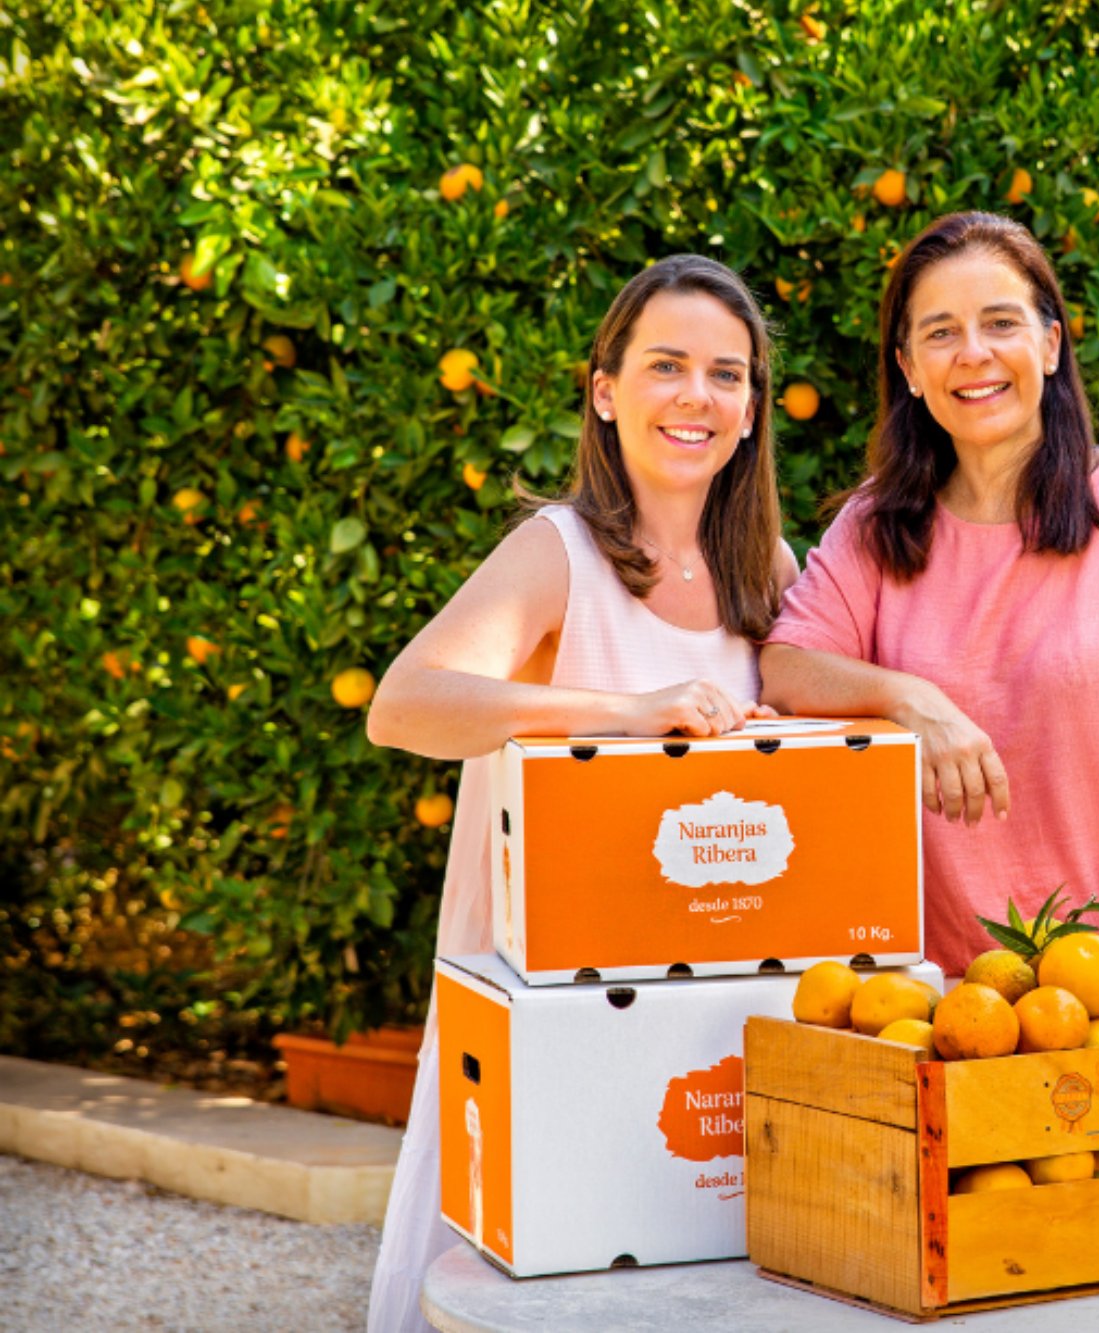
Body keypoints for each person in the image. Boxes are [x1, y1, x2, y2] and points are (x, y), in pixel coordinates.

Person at [361, 255, 794, 1331]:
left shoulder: (770, 570)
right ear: (604, 391)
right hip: (544, 1018)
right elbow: (404, 704)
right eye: (666, 366)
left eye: (726, 374)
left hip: (711, 1020)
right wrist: (621, 710)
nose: (697, 396)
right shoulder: (557, 550)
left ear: (749, 409)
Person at [760, 211, 1099, 974]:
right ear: (908, 367)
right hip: (941, 1005)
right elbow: (787, 667)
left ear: (1049, 343)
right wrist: (913, 699)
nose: (973, 354)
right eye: (940, 332)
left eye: (999, 323)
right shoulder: (874, 529)